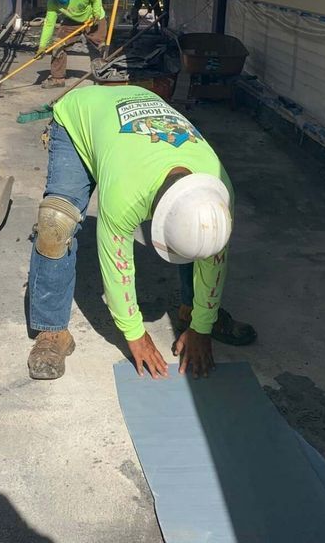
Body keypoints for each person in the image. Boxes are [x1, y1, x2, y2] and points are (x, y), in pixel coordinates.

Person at [26, 85, 256, 381]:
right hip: (81, 116)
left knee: (199, 231)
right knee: (56, 223)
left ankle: (191, 309)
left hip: (142, 111)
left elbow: (214, 258)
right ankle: (51, 330)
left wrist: (202, 324)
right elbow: (115, 261)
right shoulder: (127, 192)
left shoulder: (219, 190)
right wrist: (135, 333)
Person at [38, 0, 107, 89]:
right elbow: (49, 24)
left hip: (93, 18)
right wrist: (42, 46)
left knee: (100, 47)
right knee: (57, 45)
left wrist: (96, 12)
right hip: (72, 20)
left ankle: (104, 75)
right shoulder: (53, 3)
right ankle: (57, 79)